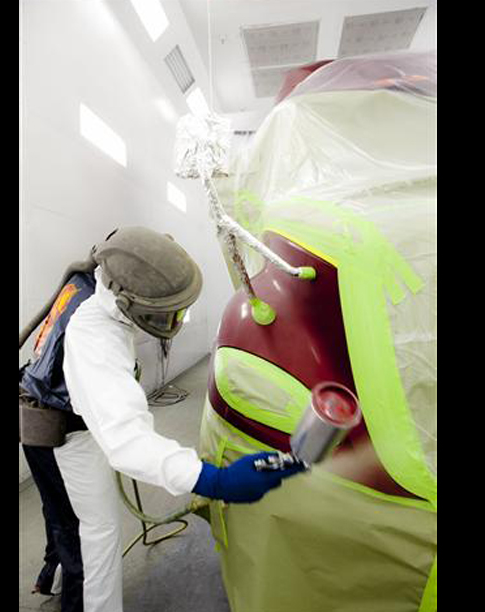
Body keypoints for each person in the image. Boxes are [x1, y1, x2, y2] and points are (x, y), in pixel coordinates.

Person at [19, 227, 304, 612]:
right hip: (57, 431)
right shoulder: (94, 335)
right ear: (130, 300)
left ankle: (52, 572)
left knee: (67, 519)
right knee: (93, 536)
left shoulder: (106, 273)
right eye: (169, 313)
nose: (174, 319)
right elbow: (127, 442)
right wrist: (213, 479)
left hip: (58, 411)